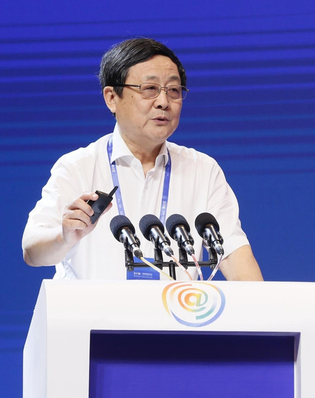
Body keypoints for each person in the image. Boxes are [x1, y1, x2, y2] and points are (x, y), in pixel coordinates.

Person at [22, 38, 263, 281]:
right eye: (149, 89)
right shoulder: (77, 167)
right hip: (91, 307)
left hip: (175, 306)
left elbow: (233, 255)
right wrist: (64, 237)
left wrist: (264, 303)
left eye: (173, 90)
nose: (163, 102)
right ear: (111, 98)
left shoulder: (202, 170)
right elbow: (32, 251)